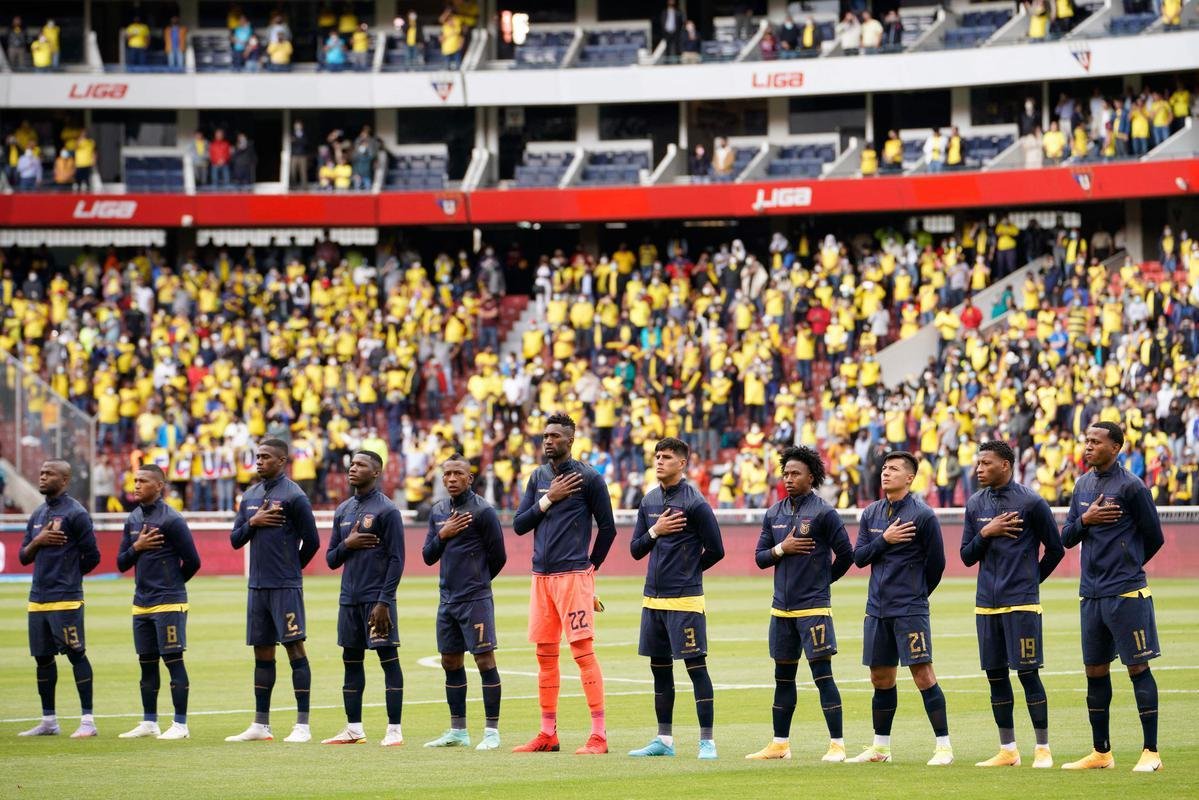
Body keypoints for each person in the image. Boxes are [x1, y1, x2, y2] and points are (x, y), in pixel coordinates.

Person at [1060, 423, 1165, 772]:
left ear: (1116, 447)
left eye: (1096, 442)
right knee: (1095, 671)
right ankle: (1101, 753)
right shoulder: (1082, 485)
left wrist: (1127, 565)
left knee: (1137, 667)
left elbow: (1154, 537)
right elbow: (1067, 536)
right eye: (1086, 441)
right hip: (1090, 594)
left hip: (1126, 592)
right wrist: (1086, 519)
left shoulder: (1132, 487)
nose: (1088, 446)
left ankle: (1151, 752)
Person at [512, 412, 618, 755]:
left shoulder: (590, 478)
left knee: (582, 652)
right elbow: (519, 525)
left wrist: (591, 568)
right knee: (544, 655)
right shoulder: (538, 477)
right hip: (540, 576)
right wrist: (549, 498)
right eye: (545, 435)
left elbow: (608, 528)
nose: (547, 441)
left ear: (570, 441)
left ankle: (599, 736)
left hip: (573, 576)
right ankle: (548, 734)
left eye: (555, 436)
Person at [746, 446, 853, 762]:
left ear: (811, 476)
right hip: (781, 611)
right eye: (786, 473)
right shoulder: (774, 513)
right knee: (783, 677)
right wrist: (783, 548)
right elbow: (761, 558)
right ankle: (780, 744)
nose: (789, 479)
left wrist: (822, 583)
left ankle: (837, 744)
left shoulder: (824, 513)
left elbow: (847, 555)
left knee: (823, 676)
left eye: (796, 473)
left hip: (813, 610)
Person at [960, 441, 1064, 767]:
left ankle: (1043, 749)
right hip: (986, 605)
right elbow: (966, 556)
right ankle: (1008, 750)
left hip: (1021, 604)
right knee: (996, 678)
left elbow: (1056, 549)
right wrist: (987, 532)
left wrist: (1030, 583)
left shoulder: (1031, 502)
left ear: (1005, 465)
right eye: (978, 463)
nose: (978, 469)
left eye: (986, 463)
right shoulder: (975, 504)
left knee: (1028, 675)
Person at [847, 451, 951, 765]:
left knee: (923, 674)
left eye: (894, 469)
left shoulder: (923, 515)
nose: (886, 473)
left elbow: (937, 565)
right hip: (876, 608)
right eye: (884, 468)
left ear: (910, 477)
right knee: (880, 678)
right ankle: (881, 748)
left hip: (909, 609)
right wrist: (886, 540)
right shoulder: (871, 514)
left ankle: (944, 747)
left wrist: (916, 596)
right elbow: (860, 557)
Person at [626, 438, 725, 760]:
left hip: (684, 600)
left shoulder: (695, 503)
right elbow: (636, 549)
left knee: (696, 668)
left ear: (682, 463)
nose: (659, 461)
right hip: (652, 599)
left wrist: (688, 572)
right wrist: (656, 530)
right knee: (660, 670)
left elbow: (716, 549)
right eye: (656, 456)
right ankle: (663, 740)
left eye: (666, 457)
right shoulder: (649, 500)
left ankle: (707, 741)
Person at [225, 439, 321, 743]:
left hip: (285, 586)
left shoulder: (295, 496)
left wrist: (292, 570)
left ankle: (302, 725)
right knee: (262, 654)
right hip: (257, 588)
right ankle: (260, 724)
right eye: (258, 456)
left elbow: (313, 541)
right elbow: (236, 540)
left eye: (266, 457)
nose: (259, 461)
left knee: (295, 649)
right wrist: (253, 522)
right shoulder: (249, 496)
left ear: (282, 461)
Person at [421, 454, 507, 750]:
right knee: (450, 661)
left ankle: (491, 732)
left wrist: (478, 582)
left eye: (458, 474)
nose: (452, 479)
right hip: (447, 599)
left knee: (484, 661)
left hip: (475, 599)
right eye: (447, 474)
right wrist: (443, 535)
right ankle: (458, 731)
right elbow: (428, 555)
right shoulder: (438, 511)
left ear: (470, 478)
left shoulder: (483, 511)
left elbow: (499, 557)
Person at [321, 451, 406, 746]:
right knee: (351, 661)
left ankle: (394, 730)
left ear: (376, 472)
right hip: (349, 599)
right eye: (352, 464)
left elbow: (397, 560)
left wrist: (385, 601)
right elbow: (331, 559)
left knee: (388, 660)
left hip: (376, 600)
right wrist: (349, 543)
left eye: (361, 465)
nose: (352, 468)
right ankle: (354, 729)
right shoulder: (343, 510)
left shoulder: (387, 511)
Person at [116, 464, 201, 740]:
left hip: (168, 602)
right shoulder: (132, 519)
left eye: (143, 481)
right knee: (146, 663)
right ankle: (149, 721)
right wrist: (136, 547)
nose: (136, 484)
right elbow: (121, 562)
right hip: (141, 603)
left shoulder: (172, 520)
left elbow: (193, 561)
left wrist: (172, 586)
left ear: (159, 486)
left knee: (173, 661)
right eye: (135, 480)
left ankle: (180, 724)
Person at [18, 460, 101, 738]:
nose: (42, 477)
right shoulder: (38, 514)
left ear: (64, 480)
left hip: (65, 599)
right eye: (40, 473)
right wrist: (38, 540)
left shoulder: (76, 513)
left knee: (76, 655)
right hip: (38, 598)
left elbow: (93, 556)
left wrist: (69, 578)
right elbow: (23, 556)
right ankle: (49, 721)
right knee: (42, 659)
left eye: (48, 474)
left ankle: (88, 721)